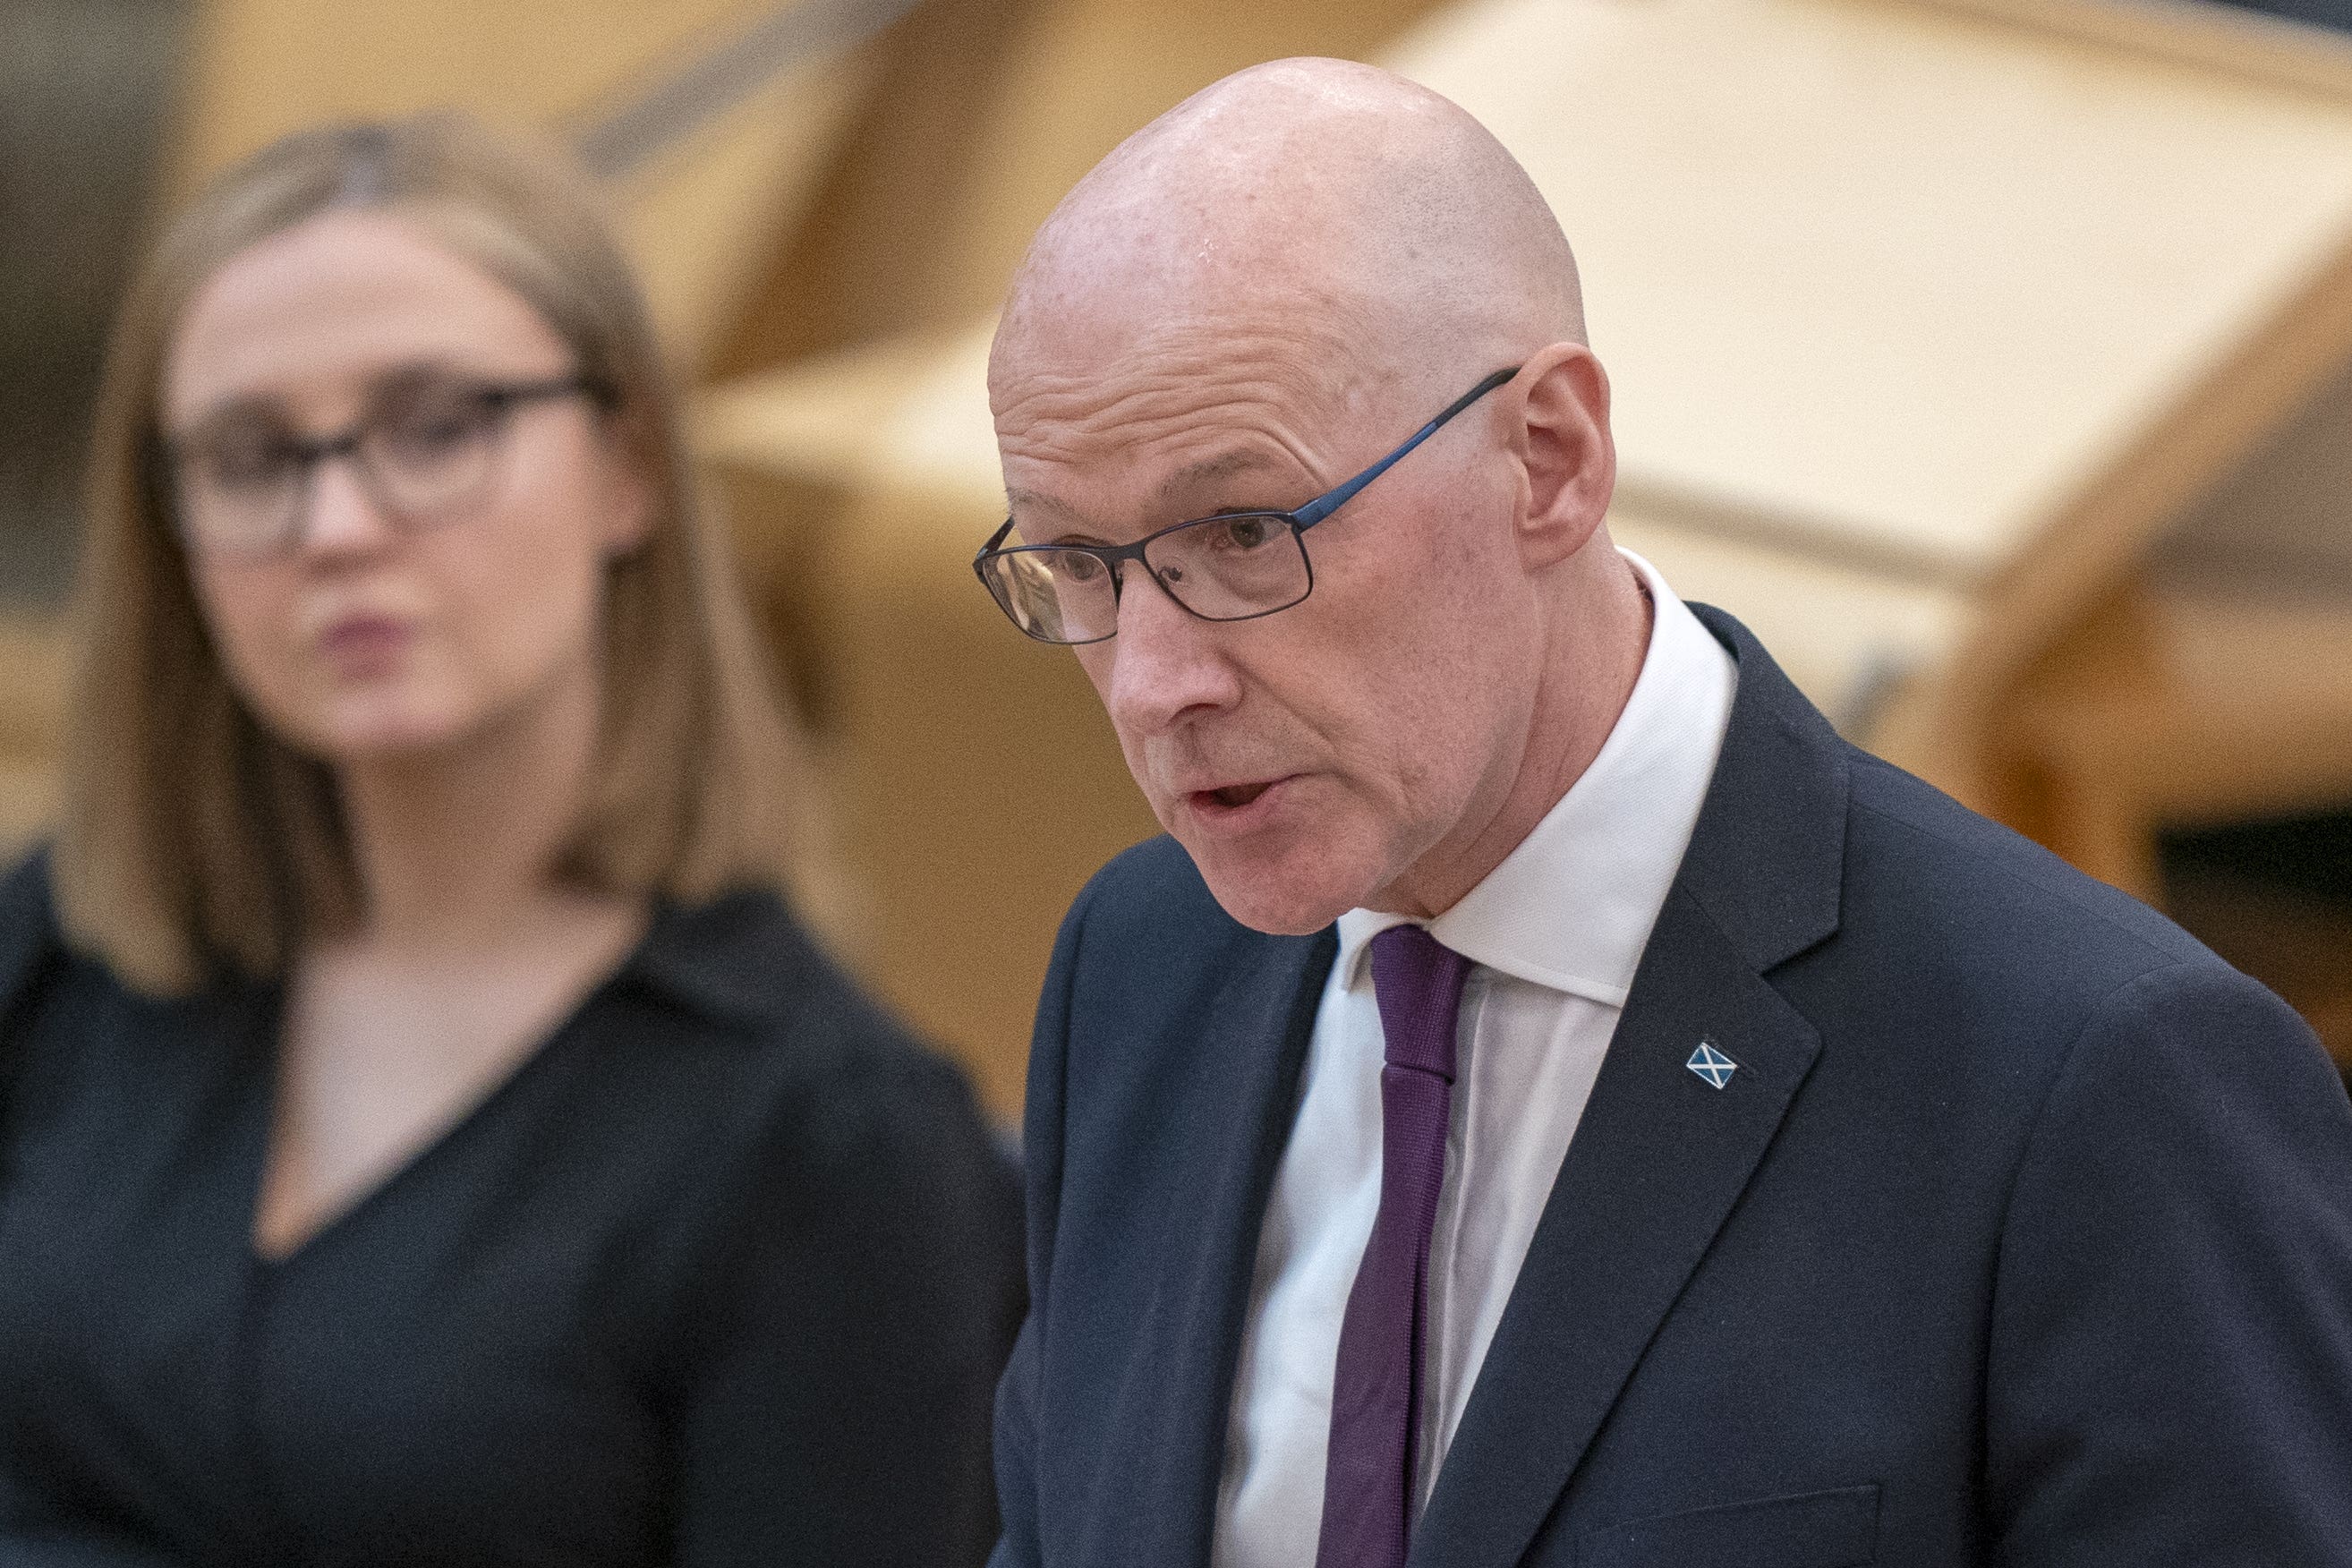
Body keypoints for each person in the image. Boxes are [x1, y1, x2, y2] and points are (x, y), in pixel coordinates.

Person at [974, 58, 2352, 1568]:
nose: (1154, 683)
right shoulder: (1143, 966)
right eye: (1082, 571)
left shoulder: (2096, 1077)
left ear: (1549, 460)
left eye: (1243, 532)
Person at [0, 114, 1019, 1567]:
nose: (336, 524)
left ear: (630, 468)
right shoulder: (72, 942)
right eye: (245, 456)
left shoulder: (836, 1152)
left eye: (435, 428)